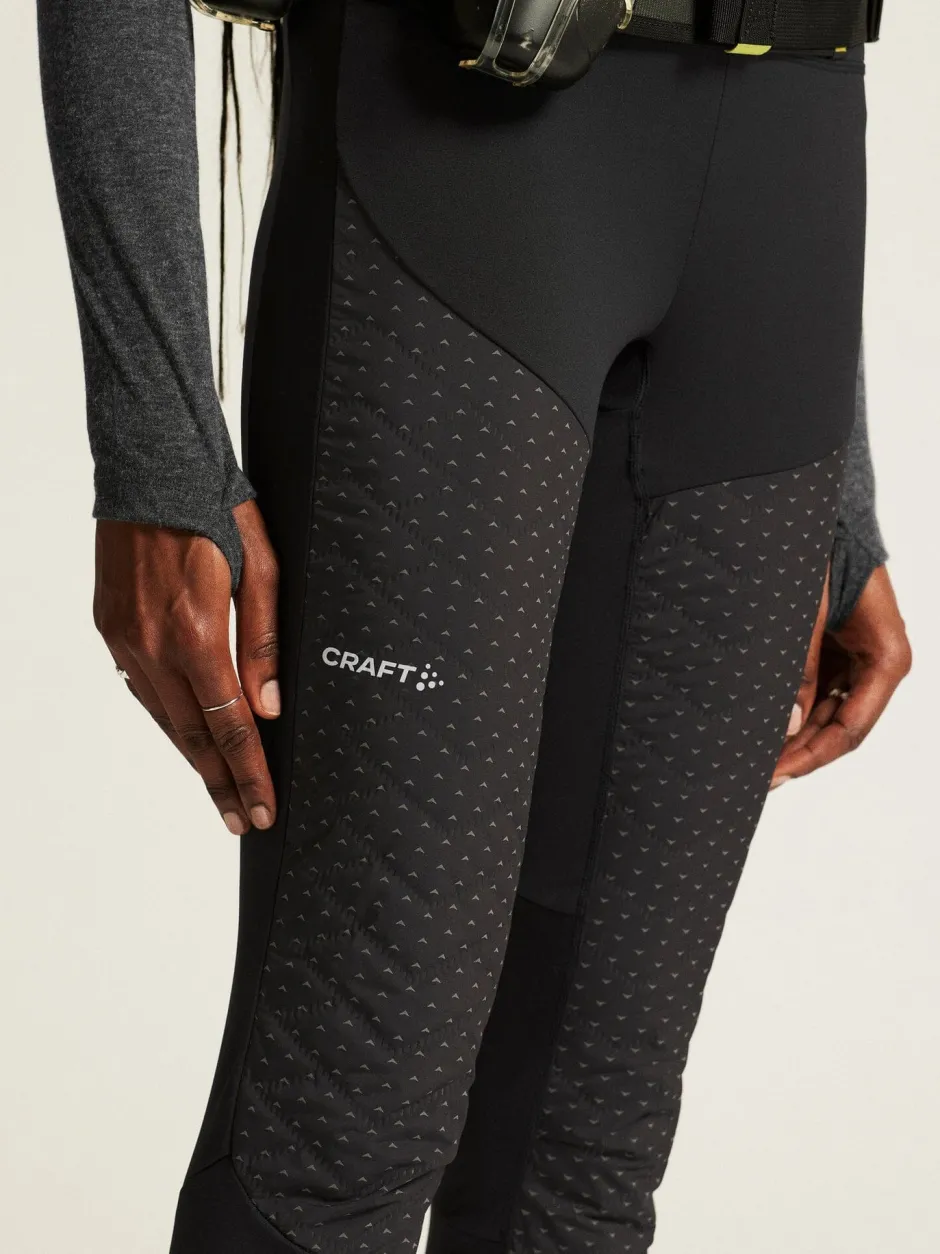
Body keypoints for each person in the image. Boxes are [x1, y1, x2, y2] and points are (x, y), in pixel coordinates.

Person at [36, 2, 912, 1251]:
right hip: (454, 155)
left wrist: (842, 494)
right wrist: (154, 449)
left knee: (581, 1151)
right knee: (339, 1127)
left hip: (790, 171)